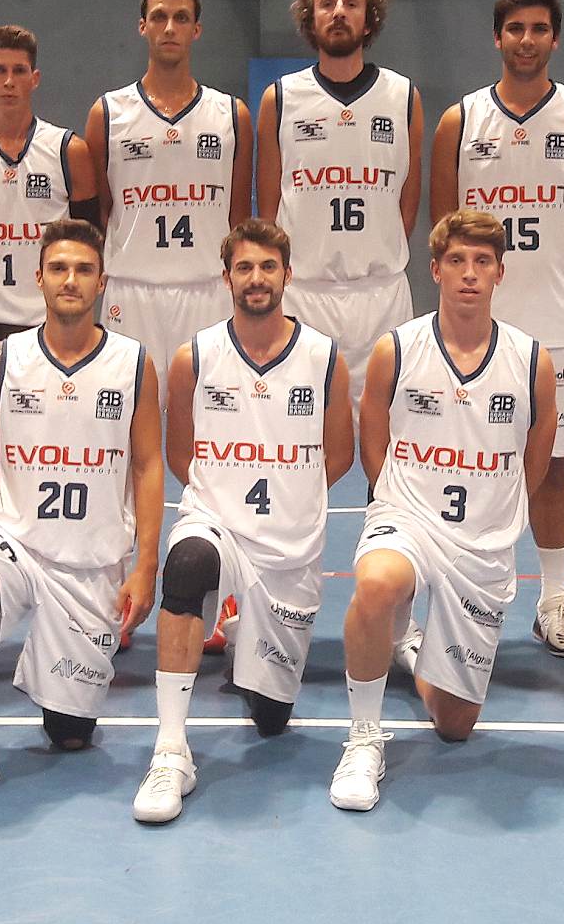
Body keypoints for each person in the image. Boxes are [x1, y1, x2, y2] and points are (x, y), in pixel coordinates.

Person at [0, 220, 164, 811]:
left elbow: (148, 465)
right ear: (39, 278)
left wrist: (145, 566)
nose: (70, 280)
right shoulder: (4, 358)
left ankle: (64, 694)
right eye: (58, 268)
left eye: (83, 269)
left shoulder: (133, 362)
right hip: (15, 542)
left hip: (90, 561)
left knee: (70, 735)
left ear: (102, 282)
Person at [329, 210, 556, 812]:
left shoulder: (531, 359)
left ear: (501, 272)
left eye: (482, 261)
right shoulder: (398, 348)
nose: (469, 273)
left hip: (483, 540)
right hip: (408, 517)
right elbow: (372, 432)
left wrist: (501, 505)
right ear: (435, 270)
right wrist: (392, 497)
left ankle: (409, 647)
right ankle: (364, 739)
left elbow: (538, 448)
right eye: (456, 260)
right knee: (377, 582)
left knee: (455, 725)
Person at [132, 218, 353, 823]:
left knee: (271, 719)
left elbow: (339, 455)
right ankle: (170, 751)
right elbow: (181, 455)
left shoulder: (324, 358)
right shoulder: (195, 356)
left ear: (288, 274)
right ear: (226, 277)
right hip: (217, 523)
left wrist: (288, 496)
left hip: (289, 544)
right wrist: (223, 498)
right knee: (188, 563)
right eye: (245, 267)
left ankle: (239, 632)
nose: (257, 278)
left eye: (268, 267)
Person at [429, 0, 564, 659]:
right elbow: (445, 223)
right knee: (467, 457)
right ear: (497, 37)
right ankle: (455, 594)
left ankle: (554, 599)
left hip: (557, 318)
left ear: (554, 39)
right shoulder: (460, 120)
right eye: (515, 29)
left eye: (539, 28)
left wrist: (561, 273)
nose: (527, 40)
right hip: (476, 321)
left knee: (555, 463)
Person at [257, 0, 424, 407]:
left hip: (381, 294)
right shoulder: (281, 98)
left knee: (386, 428)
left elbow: (408, 197)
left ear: (369, 21)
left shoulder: (402, 96)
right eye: (327, 3)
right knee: (301, 428)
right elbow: (268, 205)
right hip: (304, 293)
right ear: (310, 19)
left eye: (351, 3)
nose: (338, 12)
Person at [89, 0, 253, 394]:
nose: (169, 28)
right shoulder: (108, 113)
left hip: (207, 289)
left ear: (196, 30)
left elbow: (237, 217)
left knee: (211, 414)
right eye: (159, 17)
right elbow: (101, 212)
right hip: (131, 290)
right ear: (142, 26)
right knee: (125, 415)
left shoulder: (231, 114)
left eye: (181, 18)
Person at [0, 25, 100, 357]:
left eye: (19, 71)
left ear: (34, 78)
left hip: (44, 318)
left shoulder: (68, 151)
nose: (9, 81)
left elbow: (89, 240)